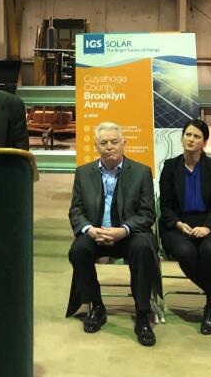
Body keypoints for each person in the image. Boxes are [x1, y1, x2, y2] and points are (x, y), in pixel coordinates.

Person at [65, 122, 159, 346]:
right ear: (96, 146)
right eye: (104, 143)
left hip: (129, 234)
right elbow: (75, 210)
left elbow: (147, 214)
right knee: (78, 250)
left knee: (143, 247)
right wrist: (89, 229)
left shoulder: (141, 172)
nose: (109, 147)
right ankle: (96, 306)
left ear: (124, 144)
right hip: (97, 233)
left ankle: (142, 313)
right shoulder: (83, 173)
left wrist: (123, 230)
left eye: (114, 142)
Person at [158, 119, 211, 335]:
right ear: (182, 138)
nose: (191, 139)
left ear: (204, 143)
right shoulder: (170, 166)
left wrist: (208, 227)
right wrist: (178, 224)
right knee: (185, 251)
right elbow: (166, 205)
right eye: (188, 135)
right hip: (178, 224)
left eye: (197, 136)